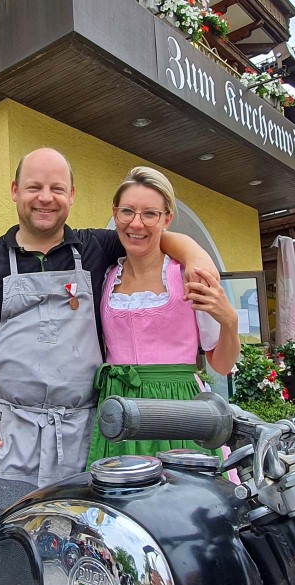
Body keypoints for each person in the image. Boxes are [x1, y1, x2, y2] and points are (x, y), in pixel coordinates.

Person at [0, 149, 218, 487]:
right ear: (15, 190)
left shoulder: (97, 247)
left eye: (57, 189)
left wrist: (193, 256)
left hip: (83, 434)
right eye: (34, 187)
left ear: (72, 196)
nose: (46, 198)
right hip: (4, 434)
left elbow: (151, 234)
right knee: (7, 527)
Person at [85, 166, 240, 463]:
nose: (137, 223)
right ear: (115, 213)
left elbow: (220, 363)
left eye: (150, 214)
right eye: (128, 211)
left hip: (178, 407)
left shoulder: (188, 274)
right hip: (120, 405)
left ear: (167, 218)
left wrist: (229, 322)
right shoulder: (106, 276)